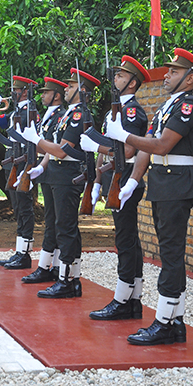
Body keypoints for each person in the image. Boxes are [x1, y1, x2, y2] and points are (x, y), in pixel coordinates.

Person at [104, 48, 193, 345]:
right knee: (169, 252)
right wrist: (131, 182)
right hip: (163, 184)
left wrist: (123, 135)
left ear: (190, 80)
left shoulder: (190, 108)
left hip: (177, 185)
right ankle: (175, 322)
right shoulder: (167, 106)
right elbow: (145, 149)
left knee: (171, 255)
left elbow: (162, 146)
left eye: (174, 72)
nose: (167, 75)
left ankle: (165, 322)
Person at [79, 55, 150, 320]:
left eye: (121, 76)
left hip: (127, 178)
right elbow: (105, 148)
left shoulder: (132, 111)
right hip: (113, 178)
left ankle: (123, 300)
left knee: (125, 239)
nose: (115, 79)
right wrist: (96, 181)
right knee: (129, 238)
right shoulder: (114, 110)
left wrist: (96, 146)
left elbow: (129, 148)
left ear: (132, 83)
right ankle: (133, 299)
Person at [19, 70, 101, 298]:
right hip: (58, 172)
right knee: (59, 224)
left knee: (66, 228)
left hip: (68, 174)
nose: (66, 88)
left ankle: (67, 280)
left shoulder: (79, 115)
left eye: (71, 85)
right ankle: (65, 276)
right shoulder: (69, 114)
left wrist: (37, 140)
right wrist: (42, 166)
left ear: (82, 90)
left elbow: (63, 151)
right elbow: (53, 149)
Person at [0, 75, 38, 270]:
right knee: (17, 206)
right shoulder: (15, 111)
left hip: (23, 161)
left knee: (24, 207)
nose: (13, 93)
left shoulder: (30, 111)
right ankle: (19, 251)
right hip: (12, 162)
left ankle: (25, 253)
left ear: (25, 91)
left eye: (16, 90)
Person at [20, 78, 66, 283]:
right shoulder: (49, 116)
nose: (42, 95)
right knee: (51, 219)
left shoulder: (60, 116)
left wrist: (35, 142)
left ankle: (48, 266)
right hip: (49, 169)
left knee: (56, 221)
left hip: (58, 170)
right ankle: (52, 265)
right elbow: (46, 145)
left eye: (46, 92)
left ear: (56, 95)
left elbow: (53, 145)